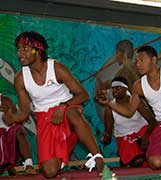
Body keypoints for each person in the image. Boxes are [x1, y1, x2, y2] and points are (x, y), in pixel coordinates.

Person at [3, 31, 104, 178]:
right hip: (44, 118)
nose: (19, 53)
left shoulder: (56, 68)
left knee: (73, 114)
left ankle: (98, 158)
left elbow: (83, 94)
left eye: (24, 49)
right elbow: (24, 112)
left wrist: (63, 106)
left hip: (67, 109)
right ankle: (69, 140)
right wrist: (13, 117)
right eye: (18, 49)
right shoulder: (20, 78)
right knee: (50, 172)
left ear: (37, 51)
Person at [97, 45, 161, 170]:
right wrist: (109, 103)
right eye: (136, 61)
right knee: (154, 162)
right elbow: (130, 111)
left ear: (153, 60)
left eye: (142, 60)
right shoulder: (138, 86)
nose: (138, 64)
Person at [101, 76, 155, 167]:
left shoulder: (137, 101)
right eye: (113, 88)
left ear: (126, 88)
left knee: (153, 157)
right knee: (138, 161)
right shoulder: (110, 109)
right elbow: (108, 133)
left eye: (118, 88)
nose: (114, 91)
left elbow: (152, 121)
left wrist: (146, 137)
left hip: (143, 133)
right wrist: (104, 139)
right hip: (125, 137)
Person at [0, 94, 36, 176]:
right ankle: (7, 165)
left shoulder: (5, 100)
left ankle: (28, 164)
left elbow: (13, 121)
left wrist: (7, 111)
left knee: (19, 129)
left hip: (8, 132)